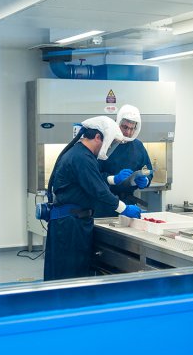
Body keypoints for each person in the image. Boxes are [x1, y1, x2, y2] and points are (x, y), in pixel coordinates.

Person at [43, 116, 142, 281]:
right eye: (109, 143)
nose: (109, 147)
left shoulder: (80, 154)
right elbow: (100, 192)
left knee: (67, 273)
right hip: (70, 226)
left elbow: (91, 181)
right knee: (69, 276)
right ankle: (67, 306)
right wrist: (124, 208)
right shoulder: (82, 157)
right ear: (98, 137)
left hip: (71, 222)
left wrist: (112, 179)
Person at [95, 104, 153, 217]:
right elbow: (92, 176)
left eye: (132, 128)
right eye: (125, 127)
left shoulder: (138, 146)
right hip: (104, 204)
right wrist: (113, 179)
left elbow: (147, 169)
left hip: (129, 205)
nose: (128, 132)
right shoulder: (105, 144)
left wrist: (145, 180)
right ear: (117, 122)